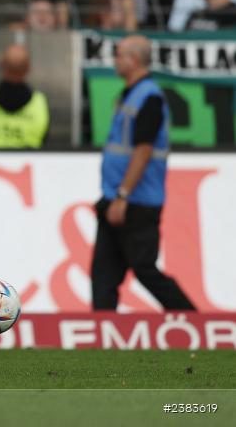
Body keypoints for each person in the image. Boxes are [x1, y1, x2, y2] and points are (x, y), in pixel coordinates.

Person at [91, 35, 196, 312]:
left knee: (144, 269)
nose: (115, 60)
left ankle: (193, 320)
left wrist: (123, 196)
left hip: (136, 201)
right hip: (116, 198)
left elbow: (143, 151)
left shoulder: (148, 97)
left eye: (119, 55)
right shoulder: (133, 93)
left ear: (134, 60)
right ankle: (101, 335)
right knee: (104, 273)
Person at [0, 44, 49, 148]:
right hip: (28, 162)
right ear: (28, 68)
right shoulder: (39, 102)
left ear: (1, 64)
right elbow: (45, 139)